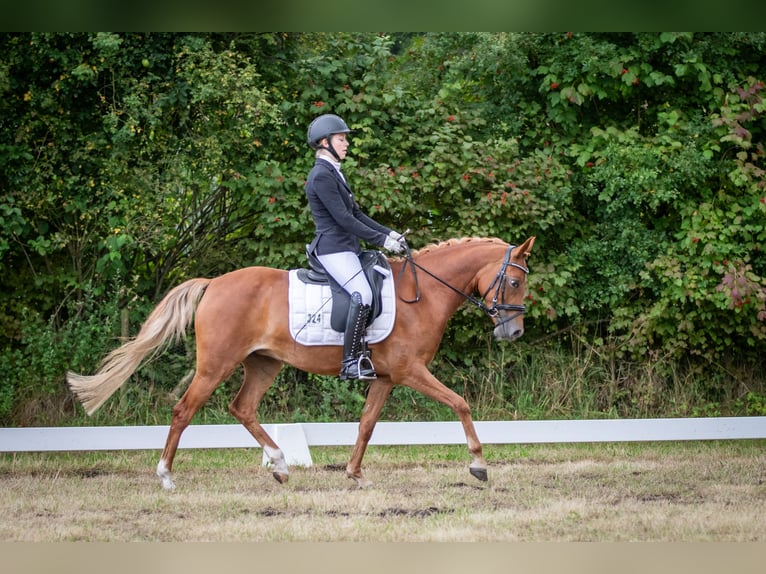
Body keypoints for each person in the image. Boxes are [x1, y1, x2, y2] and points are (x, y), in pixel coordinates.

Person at [304, 113, 406, 381]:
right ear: (325, 142)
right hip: (333, 249)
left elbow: (357, 214)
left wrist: (390, 233)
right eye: (341, 139)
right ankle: (350, 361)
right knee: (363, 294)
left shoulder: (334, 173)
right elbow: (343, 220)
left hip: (347, 248)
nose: (346, 143)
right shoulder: (321, 175)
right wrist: (382, 241)